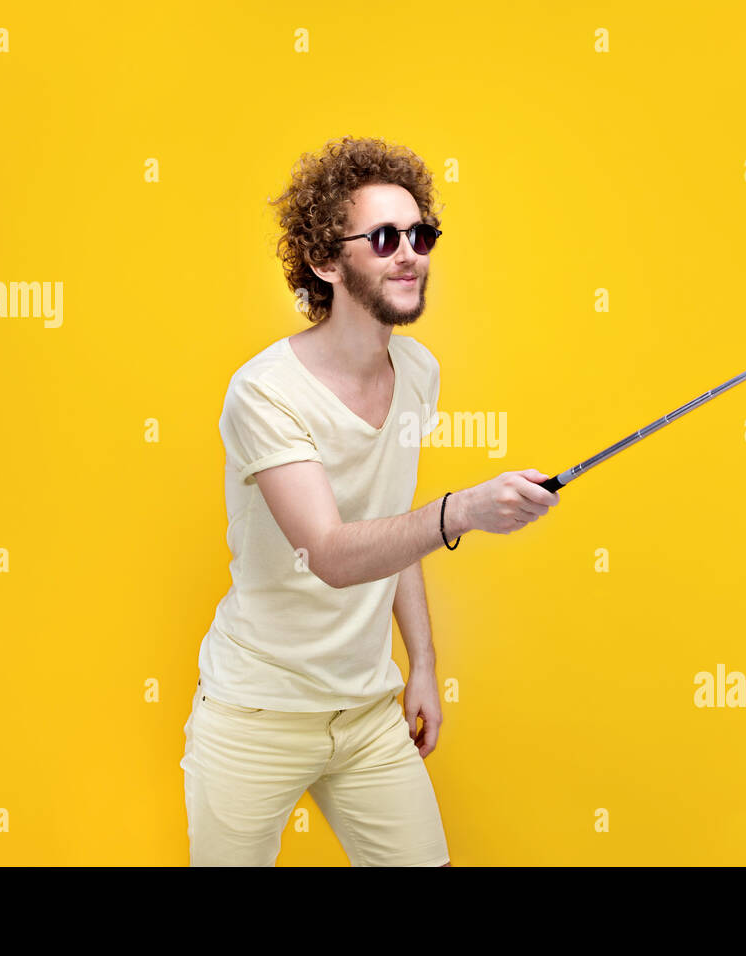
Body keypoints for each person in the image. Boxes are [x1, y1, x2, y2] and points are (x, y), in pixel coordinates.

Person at [181, 135, 561, 866]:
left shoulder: (418, 371)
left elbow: (393, 527)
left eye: (421, 235)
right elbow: (328, 552)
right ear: (326, 260)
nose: (410, 254)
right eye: (384, 237)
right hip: (257, 710)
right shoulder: (264, 393)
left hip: (365, 713)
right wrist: (464, 512)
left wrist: (421, 662)